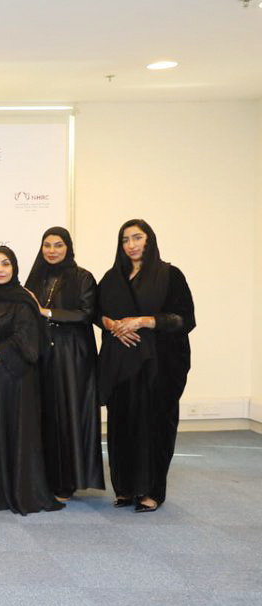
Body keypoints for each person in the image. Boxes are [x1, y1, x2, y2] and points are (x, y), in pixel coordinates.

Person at [97, 219, 195, 513]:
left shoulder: (170, 275)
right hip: (121, 367)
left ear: (149, 240)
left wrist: (143, 322)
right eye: (125, 239)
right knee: (121, 426)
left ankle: (151, 491)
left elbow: (184, 319)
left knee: (153, 427)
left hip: (157, 368)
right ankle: (125, 489)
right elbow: (96, 311)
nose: (131, 245)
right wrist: (113, 325)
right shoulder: (113, 277)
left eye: (137, 238)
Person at [0, 247, 63, 515]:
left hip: (15, 379)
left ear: (14, 267)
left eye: (5, 264)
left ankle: (17, 490)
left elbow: (26, 338)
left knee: (14, 431)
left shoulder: (23, 300)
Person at [24, 227, 104, 500]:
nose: (52, 250)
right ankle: (46, 478)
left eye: (58, 245)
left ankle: (67, 481)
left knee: (68, 416)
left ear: (68, 247)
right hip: (42, 356)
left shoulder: (82, 277)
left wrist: (46, 312)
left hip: (73, 359)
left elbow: (86, 314)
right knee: (44, 416)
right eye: (47, 245)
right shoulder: (35, 278)